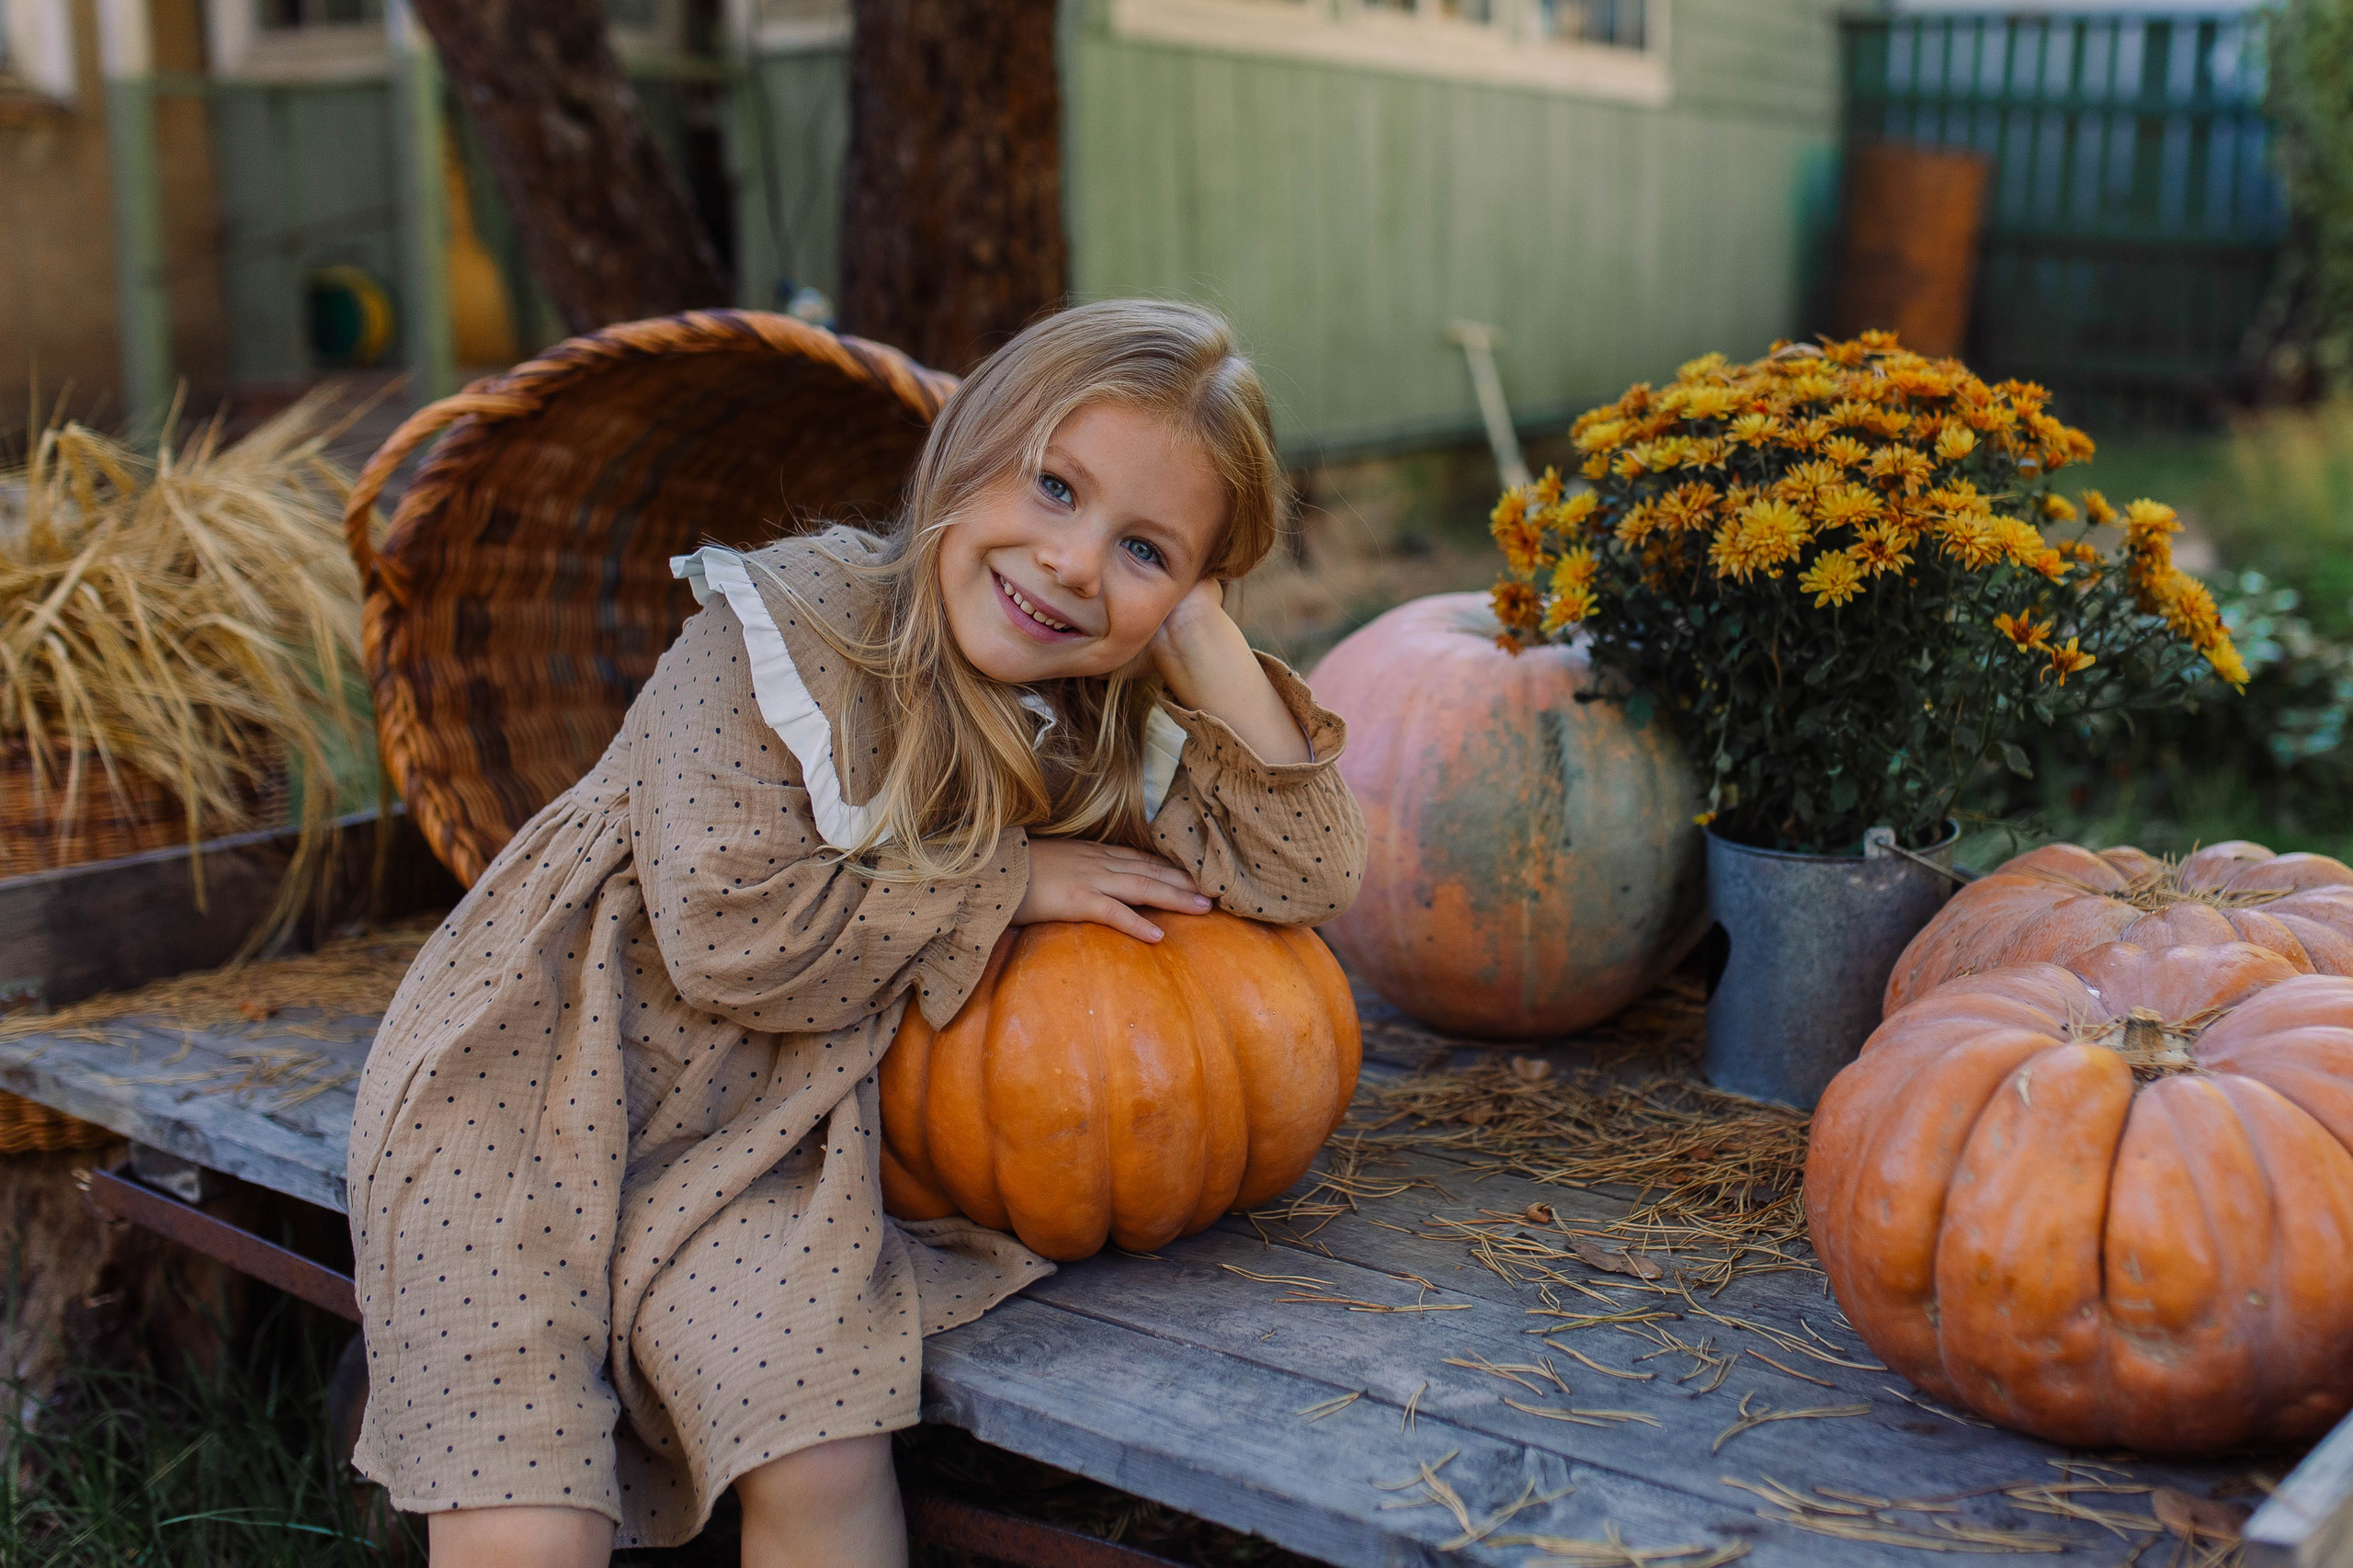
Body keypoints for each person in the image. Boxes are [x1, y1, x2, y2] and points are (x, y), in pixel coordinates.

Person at [346, 299, 1369, 1568]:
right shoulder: (786, 626)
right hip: (529, 1093)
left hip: (771, 1140)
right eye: (1054, 486)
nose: (1071, 561)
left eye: (1145, 549)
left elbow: (1308, 870)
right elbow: (727, 931)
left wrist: (1203, 638)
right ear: (966, 448)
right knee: (523, 1505)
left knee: (820, 1438)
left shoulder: (1090, 715)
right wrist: (1008, 878)